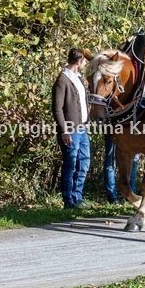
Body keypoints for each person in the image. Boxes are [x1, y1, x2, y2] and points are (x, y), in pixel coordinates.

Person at [52, 47, 91, 209]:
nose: (84, 64)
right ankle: (68, 200)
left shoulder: (78, 78)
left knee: (84, 162)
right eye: (84, 62)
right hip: (70, 129)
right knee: (71, 164)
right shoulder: (62, 80)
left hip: (82, 129)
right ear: (79, 62)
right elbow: (57, 108)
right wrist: (64, 131)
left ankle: (77, 196)